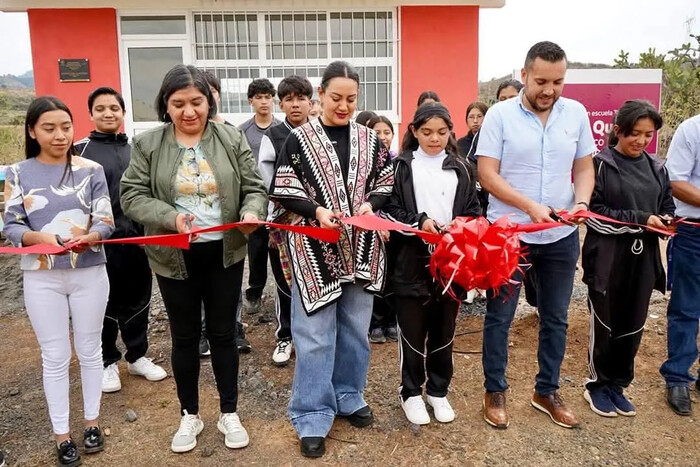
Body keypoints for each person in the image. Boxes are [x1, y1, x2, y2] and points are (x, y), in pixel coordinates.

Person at [120, 65, 268, 453]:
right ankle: (189, 414)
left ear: (210, 101)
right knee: (184, 337)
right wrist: (170, 217)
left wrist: (251, 211)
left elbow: (254, 187)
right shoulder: (149, 145)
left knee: (222, 334)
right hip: (174, 255)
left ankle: (229, 412)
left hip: (225, 251)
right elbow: (131, 196)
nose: (189, 111)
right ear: (165, 106)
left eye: (197, 102)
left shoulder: (230, 137)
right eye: (178, 103)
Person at [270, 61, 393, 458]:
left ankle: (348, 393)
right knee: (315, 334)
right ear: (319, 95)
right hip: (314, 250)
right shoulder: (299, 139)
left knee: (356, 328)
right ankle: (311, 413)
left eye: (351, 99)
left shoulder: (370, 140)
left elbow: (385, 182)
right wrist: (316, 211)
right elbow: (284, 188)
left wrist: (370, 205)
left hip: (360, 247)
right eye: (336, 98)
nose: (344, 105)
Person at [476, 41, 596, 430]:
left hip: (560, 234)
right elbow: (487, 174)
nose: (549, 89)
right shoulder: (499, 115)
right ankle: (495, 390)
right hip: (510, 234)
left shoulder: (575, 113)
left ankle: (546, 391)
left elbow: (584, 167)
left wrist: (581, 201)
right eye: (542, 80)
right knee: (500, 316)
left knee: (557, 317)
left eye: (558, 81)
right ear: (524, 74)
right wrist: (528, 206)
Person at [3, 96, 115, 466]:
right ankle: (62, 434)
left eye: (65, 127)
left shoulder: (91, 170)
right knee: (54, 356)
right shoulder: (18, 173)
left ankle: (92, 423)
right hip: (42, 276)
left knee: (90, 349)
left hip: (89, 271)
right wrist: (39, 239)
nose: (59, 135)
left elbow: (105, 220)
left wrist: (92, 237)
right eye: (49, 128)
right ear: (32, 131)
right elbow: (11, 225)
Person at [384, 102, 480, 425]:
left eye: (441, 132)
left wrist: (459, 227)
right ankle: (410, 392)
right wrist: (420, 221)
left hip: (451, 263)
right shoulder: (401, 167)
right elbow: (391, 209)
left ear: (451, 132)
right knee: (412, 330)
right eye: (426, 132)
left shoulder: (462, 168)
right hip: (410, 261)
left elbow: (474, 211)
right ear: (413, 131)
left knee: (444, 328)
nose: (434, 138)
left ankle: (438, 391)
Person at [582, 100, 673, 417]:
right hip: (607, 259)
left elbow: (667, 207)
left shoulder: (657, 168)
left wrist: (665, 220)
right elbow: (594, 213)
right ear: (618, 130)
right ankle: (597, 385)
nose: (641, 141)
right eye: (635, 133)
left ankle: (618, 385)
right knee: (605, 323)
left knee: (633, 324)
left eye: (648, 135)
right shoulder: (600, 165)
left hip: (643, 260)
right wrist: (641, 219)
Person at [74, 87, 167, 394]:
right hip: (99, 243)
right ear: (91, 114)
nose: (108, 113)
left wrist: (150, 235)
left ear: (123, 112)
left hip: (138, 240)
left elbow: (151, 194)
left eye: (114, 108)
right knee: (103, 300)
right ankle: (107, 360)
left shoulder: (137, 149)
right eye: (100, 108)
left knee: (139, 297)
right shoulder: (79, 152)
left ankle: (137, 355)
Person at [257, 75, 314, 366]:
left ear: (310, 102)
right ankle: (285, 335)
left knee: (314, 279)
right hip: (282, 223)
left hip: (316, 223)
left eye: (300, 98)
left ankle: (310, 337)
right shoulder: (274, 137)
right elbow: (267, 181)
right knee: (283, 281)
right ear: (281, 104)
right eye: (289, 99)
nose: (295, 105)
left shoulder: (320, 133)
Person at [201, 70, 249, 354]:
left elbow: (247, 181)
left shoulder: (232, 133)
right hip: (192, 233)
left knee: (231, 288)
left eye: (212, 91)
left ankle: (235, 328)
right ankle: (203, 332)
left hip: (229, 232)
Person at [660, 112, 700, 416]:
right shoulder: (692, 129)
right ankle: (677, 376)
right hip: (694, 231)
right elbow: (676, 183)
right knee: (687, 306)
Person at [239, 78, 281, 318]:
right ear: (251, 101)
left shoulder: (282, 129)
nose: (264, 101)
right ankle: (254, 292)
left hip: (279, 199)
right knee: (256, 249)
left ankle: (281, 295)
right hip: (254, 200)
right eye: (259, 97)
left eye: (268, 97)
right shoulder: (242, 131)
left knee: (278, 248)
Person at [366, 115, 398, 344]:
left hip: (396, 227)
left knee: (395, 276)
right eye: (377, 132)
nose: (383, 137)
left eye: (387, 132)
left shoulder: (400, 162)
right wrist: (376, 225)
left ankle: (392, 320)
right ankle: (376, 323)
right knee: (374, 276)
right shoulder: (364, 164)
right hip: (371, 227)